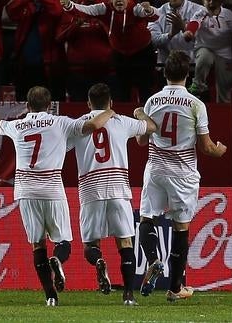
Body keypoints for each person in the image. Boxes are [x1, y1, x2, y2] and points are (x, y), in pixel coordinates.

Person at [0, 86, 115, 306]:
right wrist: (108, 112)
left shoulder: (18, 125)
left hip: (25, 191)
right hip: (52, 189)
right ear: (50, 106)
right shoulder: (59, 122)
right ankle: (58, 261)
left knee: (38, 245)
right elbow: (91, 125)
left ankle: (50, 296)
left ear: (27, 106)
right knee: (64, 241)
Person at [136, 50, 226, 302]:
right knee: (180, 228)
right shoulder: (197, 104)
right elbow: (206, 146)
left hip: (155, 168)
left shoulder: (152, 102)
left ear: (164, 73)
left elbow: (142, 141)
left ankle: (153, 260)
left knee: (147, 217)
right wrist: (219, 151)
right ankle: (175, 289)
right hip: (183, 174)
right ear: (188, 74)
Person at [67, 83, 157, 306]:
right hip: (118, 188)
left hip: (90, 190)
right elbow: (152, 128)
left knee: (90, 244)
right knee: (125, 243)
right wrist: (139, 112)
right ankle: (128, 296)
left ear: (88, 103)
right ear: (111, 102)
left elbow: (61, 145)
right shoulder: (121, 121)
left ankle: (98, 261)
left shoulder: (80, 125)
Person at [59, 0, 158, 102]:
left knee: (145, 91)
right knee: (122, 94)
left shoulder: (134, 8)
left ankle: (146, 116)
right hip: (120, 55)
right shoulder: (104, 8)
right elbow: (85, 10)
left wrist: (149, 10)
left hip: (143, 54)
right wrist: (69, 5)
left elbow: (155, 16)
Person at [183, 0, 232, 102]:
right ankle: (198, 85)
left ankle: (224, 106)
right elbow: (194, 23)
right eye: (207, 0)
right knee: (204, 58)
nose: (210, 2)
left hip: (224, 51)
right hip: (205, 47)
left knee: (225, 83)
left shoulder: (228, 14)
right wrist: (189, 32)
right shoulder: (201, 12)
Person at [148, 0, 204, 86]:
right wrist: (170, 34)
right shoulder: (157, 13)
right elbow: (154, 42)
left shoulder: (199, 11)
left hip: (193, 68)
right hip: (166, 69)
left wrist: (184, 28)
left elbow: (205, 41)